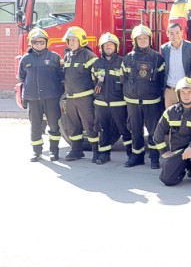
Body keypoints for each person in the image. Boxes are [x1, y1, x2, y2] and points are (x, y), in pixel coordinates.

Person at [121, 24, 166, 169]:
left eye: (145, 38)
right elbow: (123, 78)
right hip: (133, 101)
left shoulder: (157, 58)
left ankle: (154, 158)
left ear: (149, 39)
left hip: (151, 101)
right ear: (135, 40)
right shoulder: (128, 58)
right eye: (139, 38)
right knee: (135, 129)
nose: (142, 40)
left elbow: (161, 79)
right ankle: (137, 156)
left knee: (153, 131)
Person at [151, 77, 191, 186]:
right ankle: (183, 168)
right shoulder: (170, 112)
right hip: (178, 152)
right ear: (178, 95)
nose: (186, 95)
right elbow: (157, 134)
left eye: (189, 92)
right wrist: (163, 152)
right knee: (167, 180)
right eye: (183, 92)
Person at [18, 28, 64, 162]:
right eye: (36, 42)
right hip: (33, 98)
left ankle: (54, 151)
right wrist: (24, 97)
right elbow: (22, 77)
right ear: (31, 43)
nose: (39, 45)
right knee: (35, 126)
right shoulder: (25, 59)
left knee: (54, 125)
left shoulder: (54, 57)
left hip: (51, 97)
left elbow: (61, 76)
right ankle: (36, 152)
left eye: (42, 42)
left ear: (46, 43)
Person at [91, 32, 132, 165]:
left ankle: (131, 154)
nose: (109, 47)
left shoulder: (122, 62)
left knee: (124, 129)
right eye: (106, 45)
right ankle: (104, 154)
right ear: (101, 47)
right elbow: (92, 81)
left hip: (118, 103)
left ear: (116, 47)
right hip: (101, 103)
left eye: (111, 45)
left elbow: (127, 82)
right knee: (103, 129)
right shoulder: (96, 63)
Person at [62, 26, 100, 162]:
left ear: (81, 41)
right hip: (71, 98)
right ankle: (76, 150)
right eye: (69, 40)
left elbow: (97, 79)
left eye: (74, 39)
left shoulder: (89, 56)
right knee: (72, 125)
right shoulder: (68, 56)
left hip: (85, 98)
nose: (71, 42)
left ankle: (96, 151)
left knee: (89, 125)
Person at [161, 22, 191, 109]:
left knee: (186, 118)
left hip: (186, 90)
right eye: (172, 33)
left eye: (177, 32)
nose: (175, 36)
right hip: (170, 91)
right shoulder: (164, 49)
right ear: (167, 34)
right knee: (171, 119)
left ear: (182, 32)